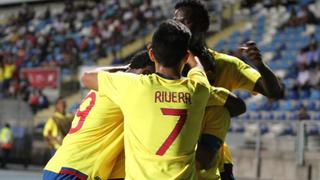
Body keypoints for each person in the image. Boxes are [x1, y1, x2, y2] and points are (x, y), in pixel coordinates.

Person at [81, 20, 242, 179]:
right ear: (185, 57)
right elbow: (198, 69)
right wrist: (191, 56)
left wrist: (125, 68)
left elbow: (87, 78)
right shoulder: (199, 89)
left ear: (151, 54)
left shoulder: (135, 86)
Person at [173, 0, 284, 179]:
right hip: (173, 159)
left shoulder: (227, 65)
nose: (176, 26)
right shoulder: (165, 64)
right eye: (174, 21)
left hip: (214, 162)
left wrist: (260, 65)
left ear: (201, 26)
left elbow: (274, 92)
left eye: (183, 21)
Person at [43, 50, 155, 180]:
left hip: (65, 166)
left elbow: (91, 74)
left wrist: (127, 67)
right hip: (77, 171)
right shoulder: (128, 88)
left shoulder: (107, 84)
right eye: (154, 77)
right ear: (146, 73)